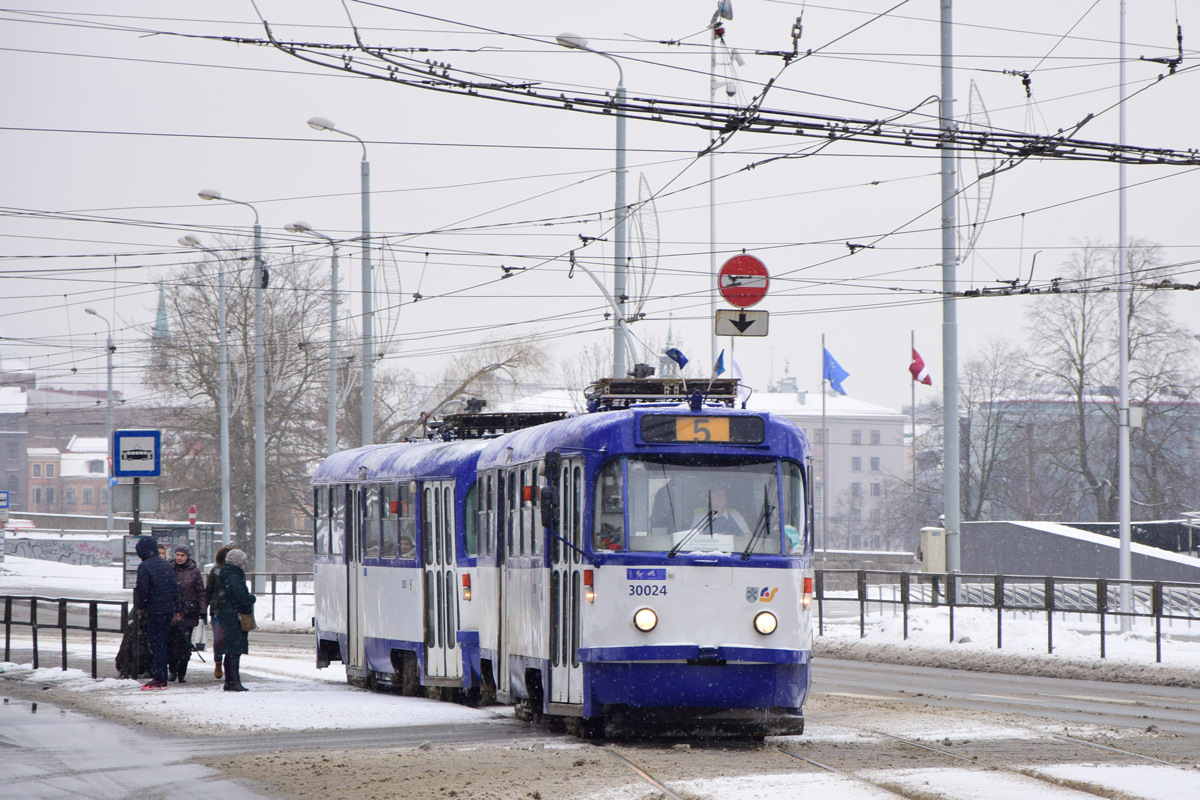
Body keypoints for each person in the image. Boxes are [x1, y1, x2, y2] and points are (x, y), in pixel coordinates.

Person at [133, 536, 179, 690]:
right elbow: (174, 587)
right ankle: (162, 676)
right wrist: (176, 608)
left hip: (155, 610)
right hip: (168, 609)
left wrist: (140, 608)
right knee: (163, 644)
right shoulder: (166, 564)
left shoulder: (144, 567)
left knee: (156, 644)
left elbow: (142, 591)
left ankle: (160, 678)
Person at [214, 548, 256, 692]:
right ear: (239, 563)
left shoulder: (226, 574)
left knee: (230, 651)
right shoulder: (234, 577)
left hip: (227, 616)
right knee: (234, 651)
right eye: (243, 562)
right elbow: (242, 598)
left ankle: (229, 681)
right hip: (234, 617)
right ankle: (234, 681)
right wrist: (251, 598)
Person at [169, 544, 204, 683]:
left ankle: (182, 672)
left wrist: (202, 610)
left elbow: (201, 592)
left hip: (189, 613)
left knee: (185, 645)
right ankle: (172, 670)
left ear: (187, 556)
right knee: (171, 644)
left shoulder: (194, 571)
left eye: (182, 555)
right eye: (177, 554)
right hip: (172, 612)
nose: (179, 558)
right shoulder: (169, 568)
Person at [205, 545, 233, 680]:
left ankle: (230, 665)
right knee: (219, 639)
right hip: (217, 610)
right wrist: (203, 609)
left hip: (232, 610)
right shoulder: (215, 571)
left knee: (231, 640)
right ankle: (218, 662)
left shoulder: (236, 571)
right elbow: (209, 590)